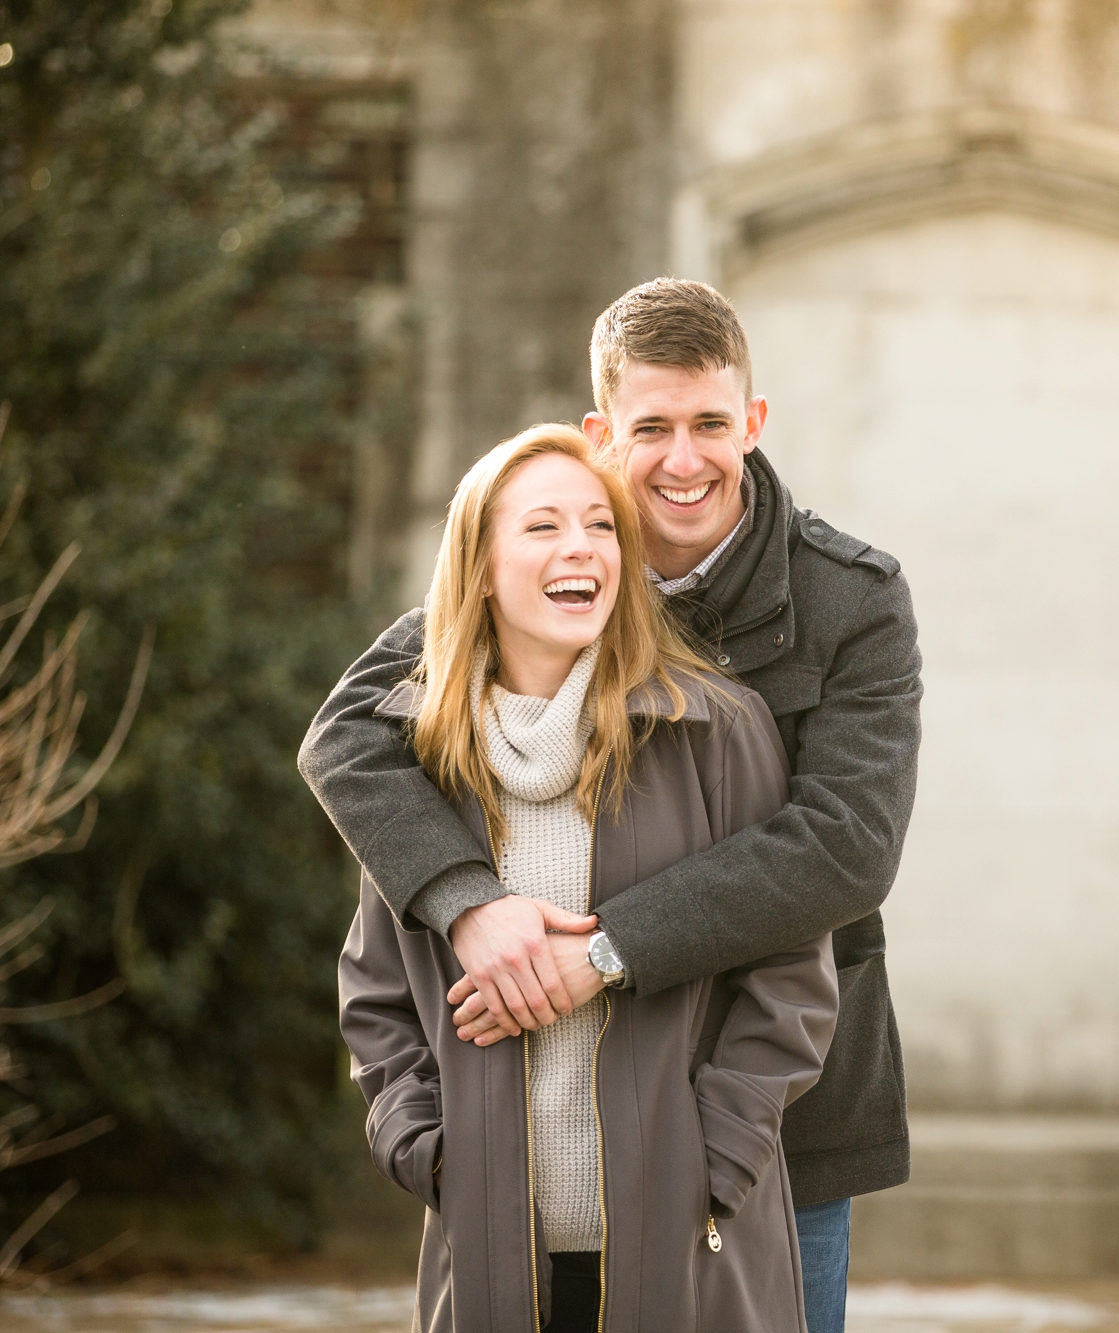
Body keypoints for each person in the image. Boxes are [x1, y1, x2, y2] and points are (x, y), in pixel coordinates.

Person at [302, 278, 921, 1333]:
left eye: (710, 425)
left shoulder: (847, 598)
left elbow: (845, 848)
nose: (684, 462)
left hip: (780, 1115)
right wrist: (466, 904)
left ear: (751, 423)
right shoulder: (556, 560)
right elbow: (347, 733)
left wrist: (593, 957)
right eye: (651, 429)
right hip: (534, 1146)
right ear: (604, 433)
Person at [338, 423, 836, 1332]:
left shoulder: (712, 730)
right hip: (491, 1254)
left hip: (691, 1250)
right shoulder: (421, 762)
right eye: (543, 527)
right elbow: (376, 992)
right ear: (480, 566)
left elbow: (789, 972)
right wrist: (428, 1154)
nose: (581, 547)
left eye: (601, 524)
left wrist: (714, 1161)